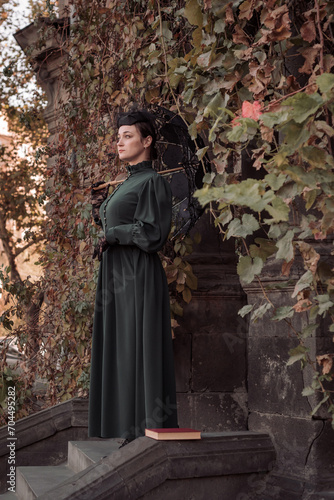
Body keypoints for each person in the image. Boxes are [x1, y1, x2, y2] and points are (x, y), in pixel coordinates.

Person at [88, 110, 178, 441]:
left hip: (137, 275)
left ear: (147, 141)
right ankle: (125, 427)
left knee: (136, 346)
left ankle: (143, 430)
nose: (120, 142)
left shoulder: (152, 181)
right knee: (121, 346)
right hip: (116, 274)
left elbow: (152, 234)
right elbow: (123, 225)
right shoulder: (127, 182)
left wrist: (113, 234)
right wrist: (101, 212)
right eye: (119, 136)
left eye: (128, 136)